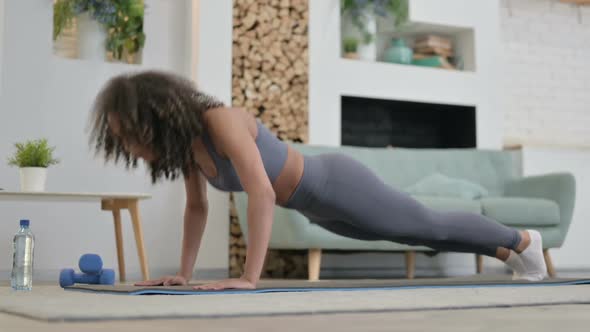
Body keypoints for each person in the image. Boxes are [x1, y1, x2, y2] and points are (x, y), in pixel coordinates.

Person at [89, 70, 547, 291]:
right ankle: (508, 251)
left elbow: (261, 192)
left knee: (426, 225)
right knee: (415, 233)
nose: (129, 147)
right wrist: (185, 274)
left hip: (334, 183)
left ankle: (523, 239)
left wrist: (249, 278)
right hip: (316, 206)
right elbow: (196, 208)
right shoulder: (186, 147)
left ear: (154, 116)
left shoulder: (222, 121)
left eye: (129, 136)